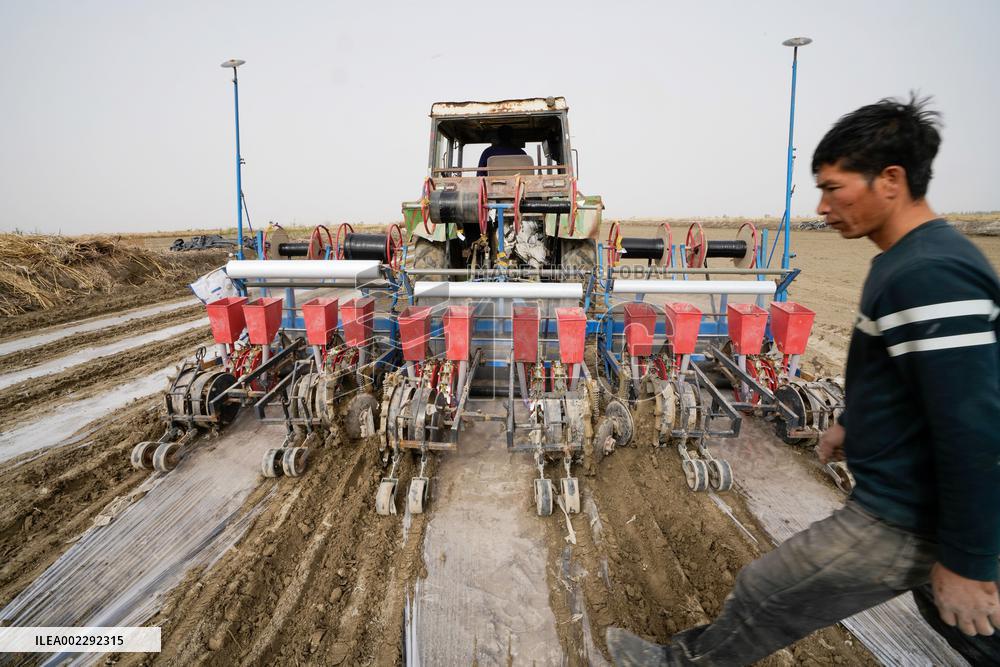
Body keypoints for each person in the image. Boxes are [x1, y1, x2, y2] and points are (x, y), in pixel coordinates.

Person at [606, 95, 1000, 665]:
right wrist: (853, 422)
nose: (821, 206)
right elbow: (914, 381)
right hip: (924, 505)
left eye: (834, 188)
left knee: (768, 591)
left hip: (910, 512)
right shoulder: (910, 261)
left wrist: (969, 560)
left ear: (890, 179)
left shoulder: (930, 273)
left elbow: (974, 426)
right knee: (971, 628)